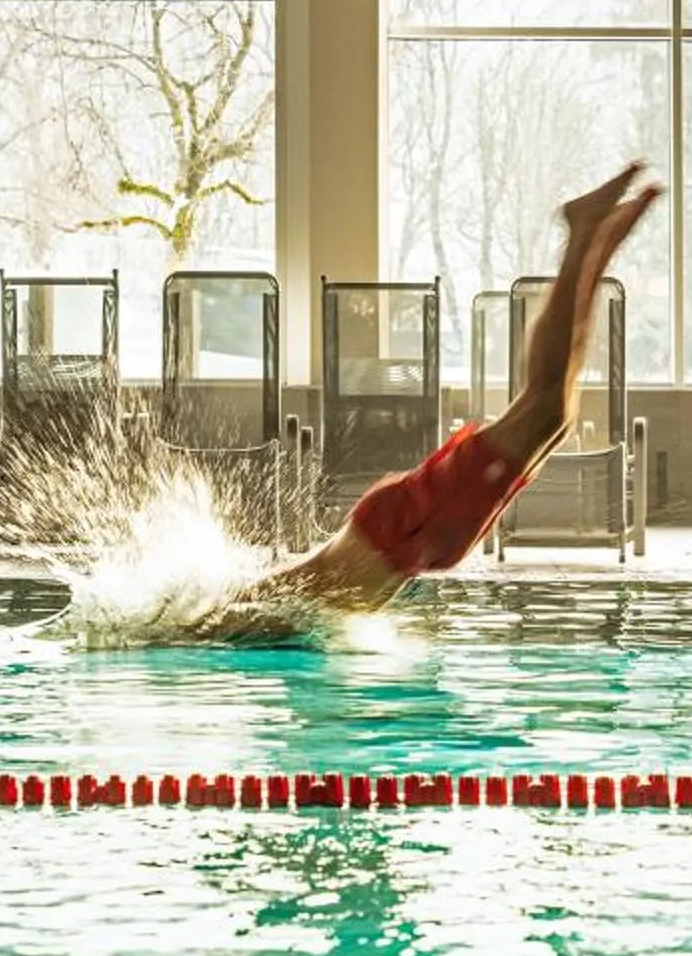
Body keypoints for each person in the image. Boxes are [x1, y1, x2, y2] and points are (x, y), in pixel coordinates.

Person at [235, 162, 662, 618]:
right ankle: (595, 249)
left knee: (542, 409)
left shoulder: (227, 624)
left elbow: (241, 611)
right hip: (411, 539)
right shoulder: (250, 613)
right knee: (556, 417)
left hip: (403, 532)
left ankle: (584, 236)